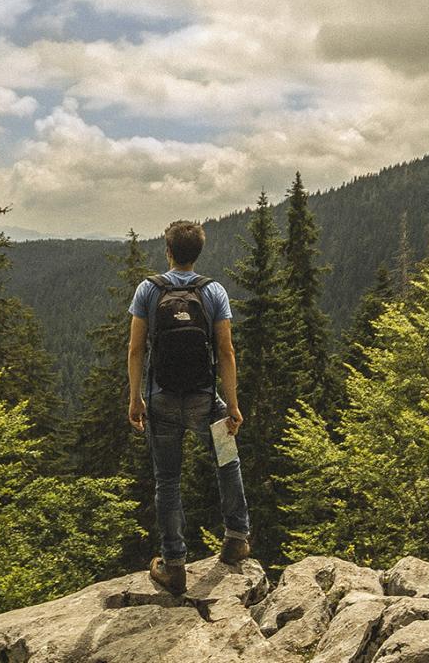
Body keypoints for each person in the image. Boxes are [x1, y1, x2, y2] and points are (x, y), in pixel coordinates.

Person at [127, 220, 251, 595]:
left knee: (168, 480)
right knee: (227, 461)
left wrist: (135, 398)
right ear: (198, 251)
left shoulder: (149, 290)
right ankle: (236, 538)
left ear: (167, 250)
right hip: (204, 399)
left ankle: (174, 563)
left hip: (162, 401)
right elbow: (226, 351)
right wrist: (231, 405)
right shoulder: (213, 291)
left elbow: (135, 349)